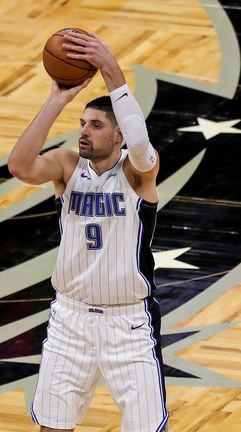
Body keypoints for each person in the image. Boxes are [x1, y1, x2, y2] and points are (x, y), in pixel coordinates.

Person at [8, 32, 167, 432]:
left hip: (129, 324)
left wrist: (111, 70)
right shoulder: (65, 166)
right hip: (70, 320)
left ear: (119, 136)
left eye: (96, 125)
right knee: (52, 428)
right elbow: (20, 166)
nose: (84, 131)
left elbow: (143, 143)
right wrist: (56, 99)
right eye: (81, 124)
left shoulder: (137, 172)